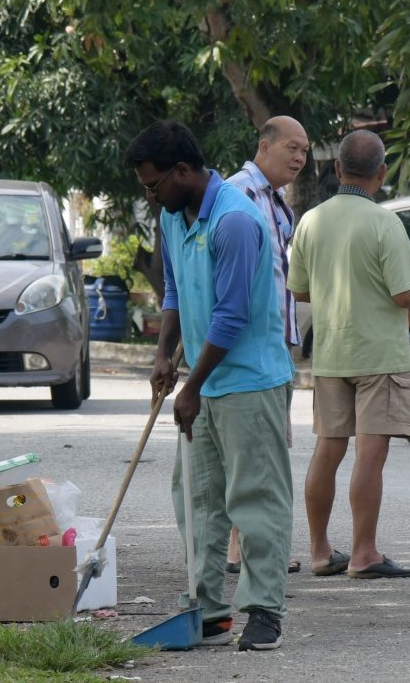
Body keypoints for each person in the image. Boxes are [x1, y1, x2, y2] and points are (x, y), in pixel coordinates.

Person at [123, 120, 294, 650]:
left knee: (255, 497)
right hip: (203, 380)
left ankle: (264, 611)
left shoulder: (236, 221)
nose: (151, 195)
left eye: (154, 185)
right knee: (197, 501)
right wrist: (162, 356)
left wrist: (191, 386)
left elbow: (232, 315)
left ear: (183, 171)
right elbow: (173, 288)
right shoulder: (173, 215)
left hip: (248, 383)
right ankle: (210, 609)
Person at [286, 129, 410, 579]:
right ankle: (363, 554)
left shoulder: (311, 220)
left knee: (327, 451)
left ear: (337, 169)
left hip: (332, 352)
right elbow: (404, 295)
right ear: (382, 174)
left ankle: (320, 551)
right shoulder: (383, 223)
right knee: (369, 456)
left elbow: (298, 289)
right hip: (378, 355)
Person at [224, 115, 310, 576]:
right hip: (250, 348)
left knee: (267, 449)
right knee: (254, 453)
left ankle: (254, 545)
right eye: (291, 148)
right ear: (264, 145)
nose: (299, 158)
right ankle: (244, 551)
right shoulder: (240, 194)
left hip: (275, 346)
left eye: (304, 150)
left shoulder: (275, 200)